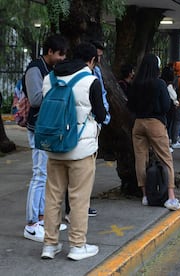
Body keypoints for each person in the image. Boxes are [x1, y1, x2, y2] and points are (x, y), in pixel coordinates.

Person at [40, 42, 106, 260]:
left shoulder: (49, 78)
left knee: (53, 197)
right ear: (91, 60)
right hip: (81, 149)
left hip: (54, 147)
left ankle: (49, 245)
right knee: (79, 199)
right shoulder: (90, 80)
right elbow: (100, 113)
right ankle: (77, 246)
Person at [23, 34, 68, 243]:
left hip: (47, 127)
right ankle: (31, 224)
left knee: (46, 175)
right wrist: (56, 90)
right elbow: (35, 99)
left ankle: (41, 220)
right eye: (60, 54)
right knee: (39, 174)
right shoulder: (35, 69)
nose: (62, 58)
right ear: (50, 51)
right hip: (39, 128)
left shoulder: (48, 69)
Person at [127, 53, 180, 211]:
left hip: (138, 123)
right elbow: (165, 106)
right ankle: (171, 197)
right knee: (165, 159)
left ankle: (145, 194)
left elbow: (130, 105)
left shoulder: (136, 83)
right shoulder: (159, 84)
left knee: (140, 159)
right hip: (155, 123)